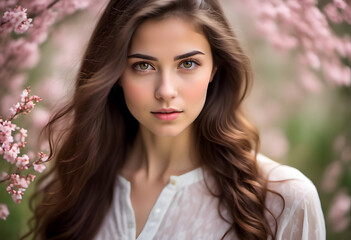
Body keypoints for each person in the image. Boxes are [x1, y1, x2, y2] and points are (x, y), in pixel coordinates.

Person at [23, 0, 326, 239]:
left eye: (188, 63)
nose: (166, 91)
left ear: (215, 69)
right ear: (116, 74)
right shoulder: (78, 186)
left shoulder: (284, 198)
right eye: (143, 66)